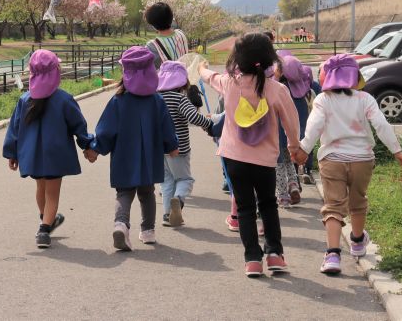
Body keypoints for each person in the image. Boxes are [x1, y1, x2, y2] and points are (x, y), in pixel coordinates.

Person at [293, 54, 402, 275]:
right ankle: (356, 241)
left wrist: (303, 150)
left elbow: (314, 127)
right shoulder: (365, 99)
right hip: (362, 160)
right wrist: (397, 150)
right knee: (358, 201)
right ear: (355, 76)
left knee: (333, 206)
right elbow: (381, 125)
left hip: (332, 160)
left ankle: (333, 255)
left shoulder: (323, 100)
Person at [200, 33, 301, 278]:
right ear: (269, 59)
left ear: (237, 59)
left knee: (245, 209)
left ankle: (252, 260)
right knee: (268, 205)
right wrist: (294, 146)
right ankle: (275, 254)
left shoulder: (229, 83)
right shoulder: (276, 89)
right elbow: (291, 122)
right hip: (265, 160)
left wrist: (201, 67)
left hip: (234, 158)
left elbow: (210, 77)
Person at [89, 46, 179, 251]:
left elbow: (105, 130)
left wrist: (95, 148)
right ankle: (148, 231)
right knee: (147, 193)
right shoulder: (157, 100)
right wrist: (172, 146)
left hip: (123, 155)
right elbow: (167, 128)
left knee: (124, 193)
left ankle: (121, 224)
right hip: (149, 156)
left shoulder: (118, 101)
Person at [3, 49, 93, 249]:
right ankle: (44, 230)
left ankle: (46, 218)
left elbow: (14, 129)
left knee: (41, 188)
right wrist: (87, 145)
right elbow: (79, 125)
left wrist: (12, 153)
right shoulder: (63, 99)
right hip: (56, 153)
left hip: (31, 154)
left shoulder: (25, 100)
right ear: (56, 72)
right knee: (52, 193)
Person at [156, 61, 215, 227]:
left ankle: (167, 215)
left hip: (159, 149)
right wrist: (208, 122)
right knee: (185, 179)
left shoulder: (155, 97)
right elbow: (195, 118)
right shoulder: (179, 98)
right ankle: (179, 200)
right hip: (179, 148)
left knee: (166, 182)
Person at [275, 54, 314, 205]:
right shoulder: (303, 91)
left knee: (278, 163)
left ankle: (283, 195)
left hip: (278, 135)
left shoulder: (278, 90)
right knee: (289, 161)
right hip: (295, 138)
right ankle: (293, 184)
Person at [143, 1, 189, 68]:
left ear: (152, 23)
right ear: (171, 17)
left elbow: (149, 70)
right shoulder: (181, 34)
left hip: (166, 78)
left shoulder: (152, 46)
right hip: (185, 77)